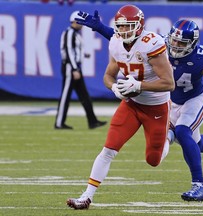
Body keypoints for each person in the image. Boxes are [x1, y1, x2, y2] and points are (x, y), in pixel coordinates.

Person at [70, 10, 203, 204]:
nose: (175, 46)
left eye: (181, 43)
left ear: (193, 44)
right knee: (194, 142)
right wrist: (100, 27)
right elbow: (127, 39)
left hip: (196, 98)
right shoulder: (160, 43)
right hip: (168, 100)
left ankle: (199, 185)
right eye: (173, 41)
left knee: (183, 133)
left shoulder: (201, 58)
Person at [66, 5, 175, 209]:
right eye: (120, 27)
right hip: (132, 105)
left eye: (128, 26)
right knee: (108, 149)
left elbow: (169, 83)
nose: (123, 31)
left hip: (157, 107)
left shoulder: (151, 44)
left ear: (139, 25)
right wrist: (115, 88)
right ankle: (87, 196)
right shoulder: (116, 42)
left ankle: (170, 134)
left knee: (153, 160)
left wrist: (140, 85)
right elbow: (108, 76)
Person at [55, 11, 107, 130]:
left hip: (76, 67)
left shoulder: (76, 34)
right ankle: (59, 123)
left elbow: (75, 51)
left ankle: (92, 121)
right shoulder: (69, 33)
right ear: (75, 21)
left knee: (84, 95)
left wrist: (83, 57)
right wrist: (74, 69)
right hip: (70, 68)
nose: (82, 24)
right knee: (65, 95)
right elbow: (68, 52)